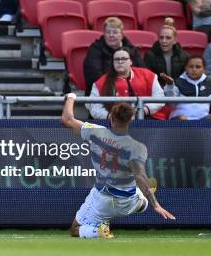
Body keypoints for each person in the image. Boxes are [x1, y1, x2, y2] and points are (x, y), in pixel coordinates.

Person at [61, 96, 176, 239]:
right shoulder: (137, 148)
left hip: (103, 200)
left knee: (75, 229)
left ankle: (98, 232)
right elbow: (140, 176)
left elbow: (67, 120)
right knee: (141, 200)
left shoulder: (96, 131)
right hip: (128, 203)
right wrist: (156, 205)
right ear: (131, 120)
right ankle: (143, 200)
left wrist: (71, 97)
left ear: (111, 118)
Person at [87, 47, 165, 120]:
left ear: (130, 61)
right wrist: (111, 116)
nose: (120, 62)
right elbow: (94, 107)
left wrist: (144, 110)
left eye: (124, 59)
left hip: (149, 119)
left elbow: (160, 98)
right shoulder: (100, 83)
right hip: (115, 123)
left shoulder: (149, 75)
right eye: (116, 59)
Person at [83, 17, 145, 96]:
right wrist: (118, 86)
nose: (111, 35)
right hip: (103, 93)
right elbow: (94, 76)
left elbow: (141, 71)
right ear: (104, 34)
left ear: (122, 35)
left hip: (130, 92)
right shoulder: (95, 49)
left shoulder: (131, 49)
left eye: (115, 32)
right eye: (108, 32)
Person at [144, 18, 189, 87]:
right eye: (161, 37)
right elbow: (147, 78)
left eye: (168, 38)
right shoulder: (150, 55)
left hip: (178, 90)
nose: (164, 41)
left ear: (175, 40)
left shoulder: (184, 56)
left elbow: (186, 78)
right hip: (158, 90)